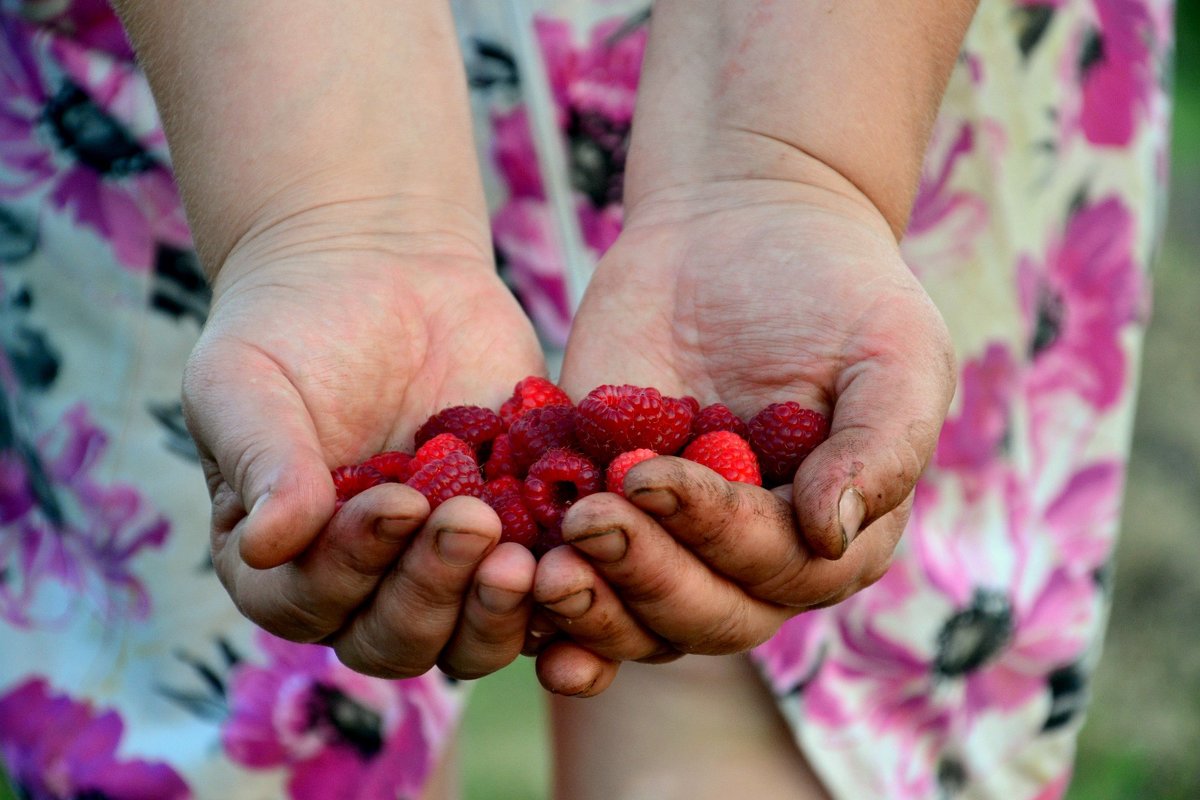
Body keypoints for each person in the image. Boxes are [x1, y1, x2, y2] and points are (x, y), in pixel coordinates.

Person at [0, 0, 1172, 798]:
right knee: (241, 740)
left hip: (869, 51)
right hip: (220, 69)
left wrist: (799, 167)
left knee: (797, 729)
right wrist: (316, 218)